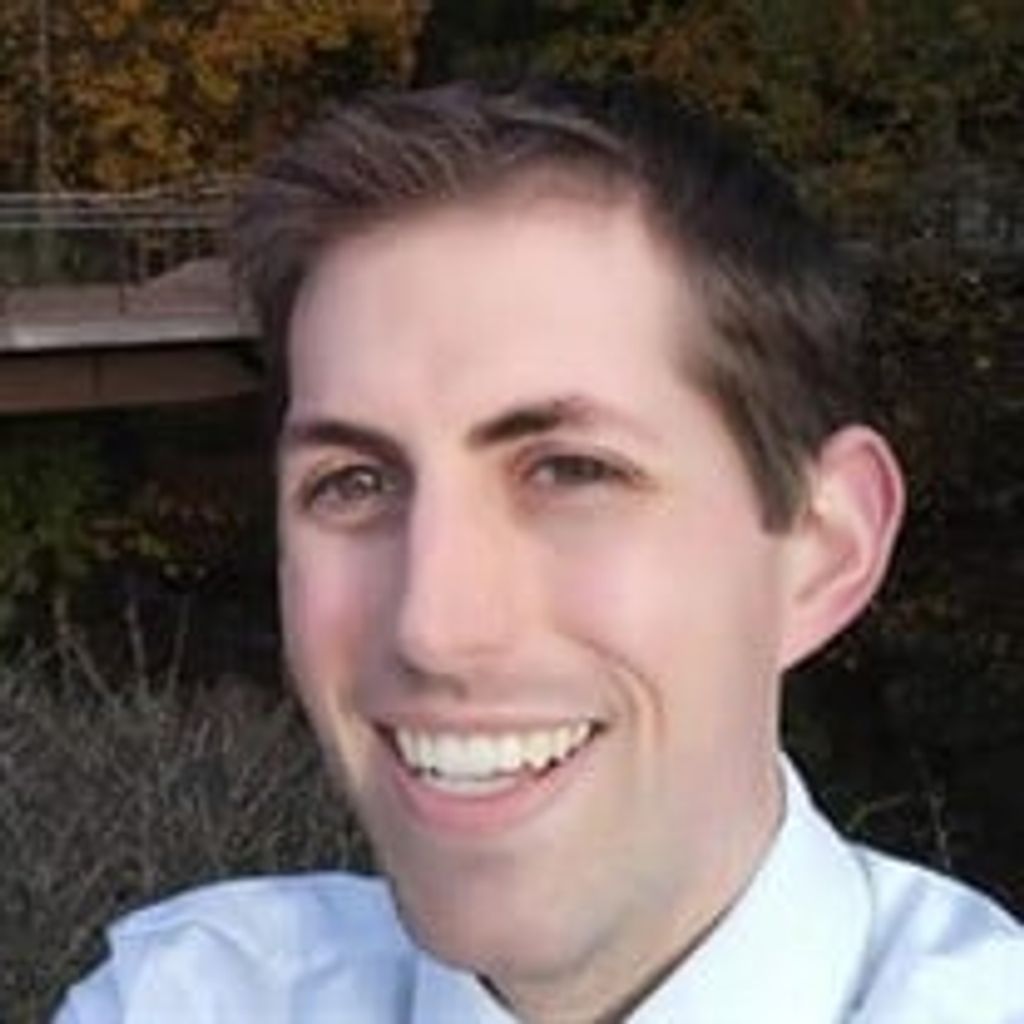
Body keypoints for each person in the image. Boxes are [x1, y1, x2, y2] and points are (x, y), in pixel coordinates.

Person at [55, 79, 1023, 1024]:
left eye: (571, 471)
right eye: (354, 482)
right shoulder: (192, 998)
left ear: (821, 550)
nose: (433, 627)